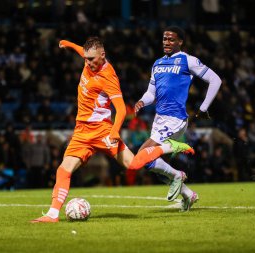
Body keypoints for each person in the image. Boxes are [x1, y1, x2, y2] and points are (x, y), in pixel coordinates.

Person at [31, 37, 192, 223]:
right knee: (63, 170)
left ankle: (170, 147)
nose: (88, 63)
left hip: (102, 131)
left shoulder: (108, 77)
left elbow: (122, 108)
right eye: (86, 59)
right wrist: (68, 44)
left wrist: (115, 130)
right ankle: (52, 215)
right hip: (82, 132)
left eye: (91, 59)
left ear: (103, 55)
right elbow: (82, 51)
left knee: (133, 165)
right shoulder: (89, 59)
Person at [133, 26, 222, 211]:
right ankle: (188, 194)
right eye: (164, 39)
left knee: (143, 156)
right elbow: (151, 93)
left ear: (180, 41)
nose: (167, 42)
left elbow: (215, 80)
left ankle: (177, 154)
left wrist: (204, 107)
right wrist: (142, 101)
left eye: (171, 39)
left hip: (175, 118)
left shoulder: (187, 60)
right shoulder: (157, 64)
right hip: (159, 119)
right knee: (149, 164)